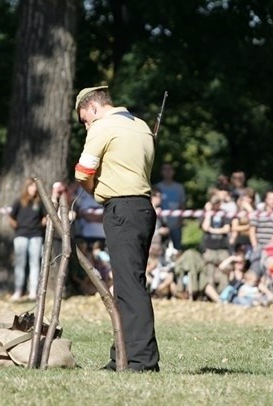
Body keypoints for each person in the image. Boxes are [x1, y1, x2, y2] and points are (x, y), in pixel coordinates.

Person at [74, 85, 159, 372]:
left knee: (130, 287)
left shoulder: (102, 126)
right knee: (126, 284)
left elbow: (82, 171)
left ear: (94, 107)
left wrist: (95, 190)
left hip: (121, 209)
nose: (86, 126)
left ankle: (143, 362)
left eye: (85, 119)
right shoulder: (142, 125)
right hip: (144, 208)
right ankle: (121, 356)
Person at [8, 178, 47, 302]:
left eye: (35, 186)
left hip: (36, 235)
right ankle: (18, 290)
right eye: (31, 186)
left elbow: (45, 217)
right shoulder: (19, 201)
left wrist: (41, 225)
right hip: (21, 234)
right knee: (20, 263)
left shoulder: (40, 202)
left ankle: (33, 291)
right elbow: (11, 216)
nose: (33, 189)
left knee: (35, 263)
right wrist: (16, 225)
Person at [155, 163, 186, 250]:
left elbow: (182, 204)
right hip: (162, 225)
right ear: (162, 172)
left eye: (170, 169)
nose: (167, 172)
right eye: (165, 169)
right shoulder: (158, 187)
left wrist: (181, 220)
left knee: (177, 248)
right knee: (160, 248)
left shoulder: (179, 187)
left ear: (173, 172)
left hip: (176, 224)